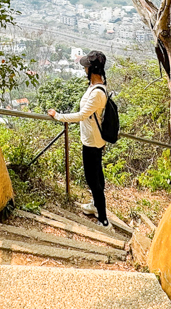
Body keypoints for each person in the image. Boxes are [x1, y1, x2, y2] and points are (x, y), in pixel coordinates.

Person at [48, 50, 111, 228]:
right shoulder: (95, 86)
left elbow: (82, 115)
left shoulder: (97, 92)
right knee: (96, 176)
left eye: (86, 66)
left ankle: (103, 219)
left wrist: (58, 116)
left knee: (93, 179)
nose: (84, 69)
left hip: (92, 142)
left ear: (92, 69)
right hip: (92, 139)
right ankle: (95, 206)